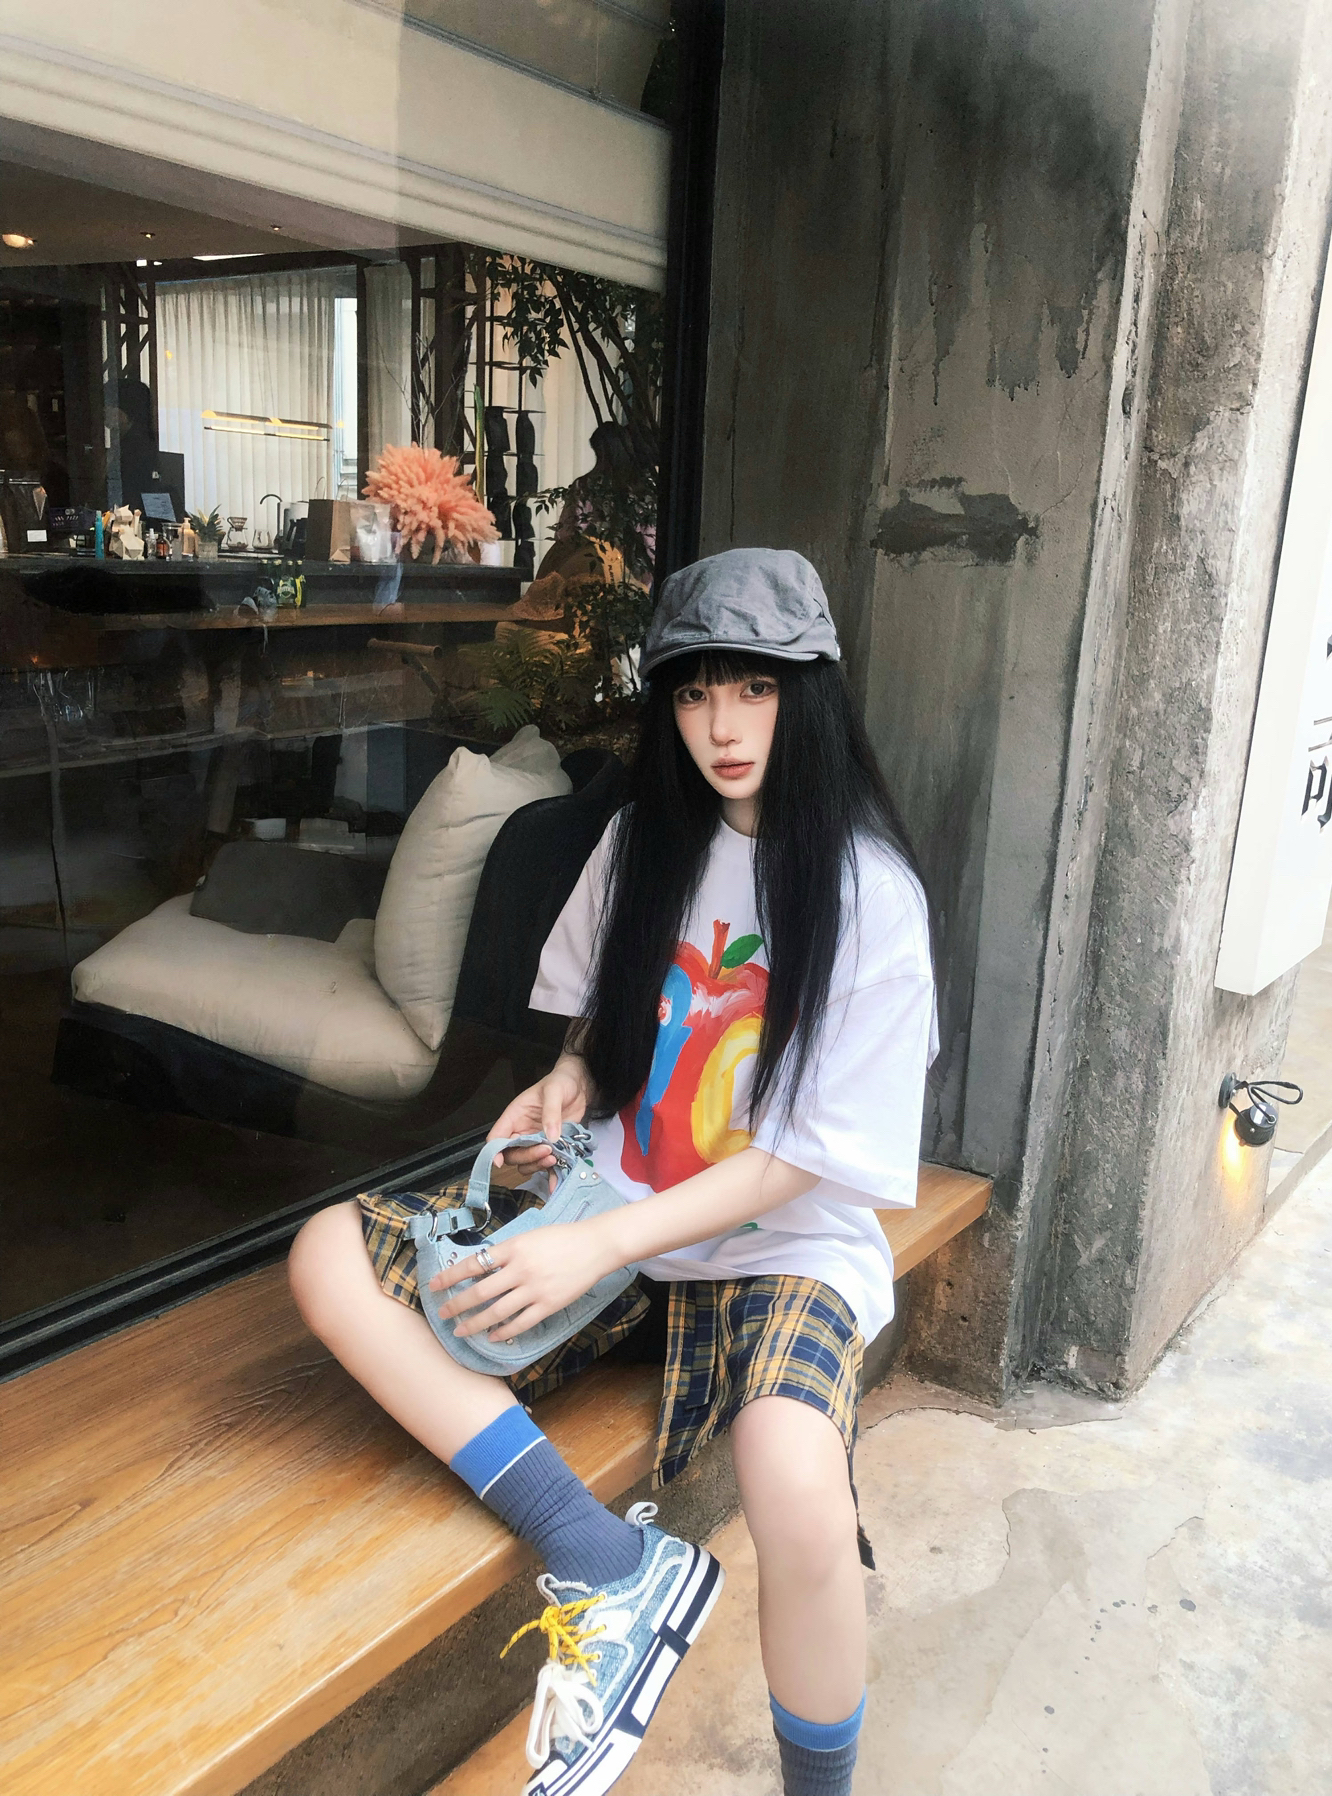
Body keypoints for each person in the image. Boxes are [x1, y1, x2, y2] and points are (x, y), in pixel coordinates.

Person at [288, 547, 937, 1796]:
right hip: (615, 1209)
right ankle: (606, 1564)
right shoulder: (643, 839)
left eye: (753, 689)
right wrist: (572, 1077)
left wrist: (593, 1243)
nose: (721, 726)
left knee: (796, 1487)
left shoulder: (871, 897)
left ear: (808, 693)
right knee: (329, 1254)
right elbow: (601, 1011)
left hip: (777, 1248)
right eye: (693, 693)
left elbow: (798, 1162)